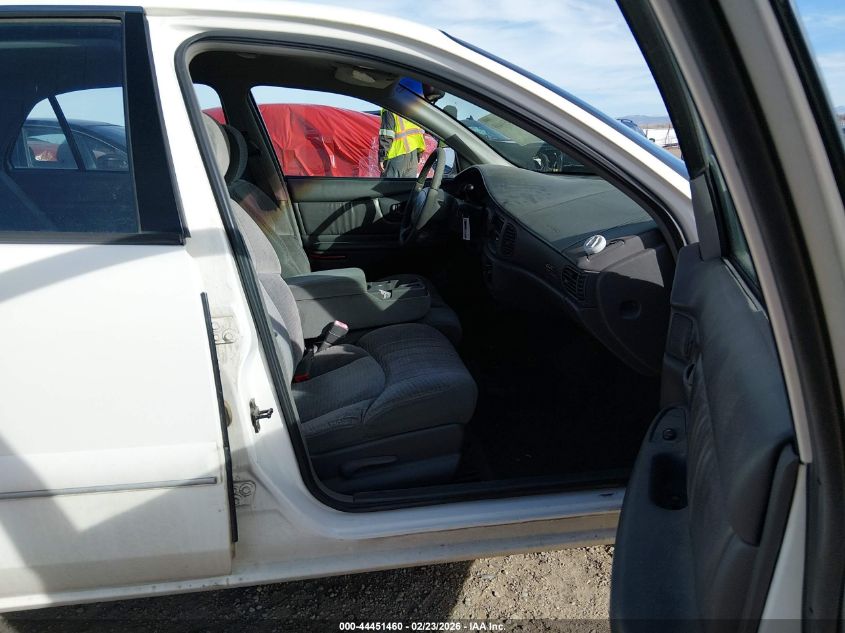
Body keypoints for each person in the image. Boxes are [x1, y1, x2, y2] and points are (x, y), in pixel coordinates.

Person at [378, 108, 426, 178]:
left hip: (396, 156)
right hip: (414, 156)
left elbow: (387, 135)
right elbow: (420, 132)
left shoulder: (388, 107)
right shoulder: (413, 108)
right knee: (407, 187)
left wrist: (381, 157)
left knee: (388, 187)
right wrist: (419, 154)